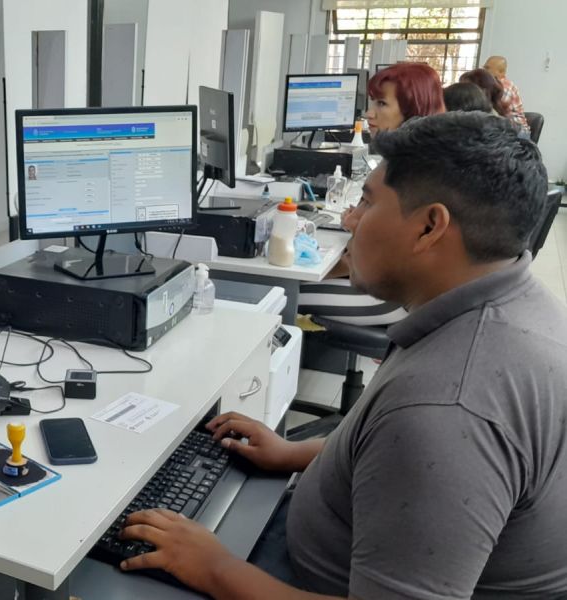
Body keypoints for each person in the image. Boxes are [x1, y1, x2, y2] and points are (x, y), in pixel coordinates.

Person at [118, 112, 567, 598]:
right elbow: (398, 467)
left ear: (429, 227)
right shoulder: (511, 307)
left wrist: (213, 568)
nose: (349, 219)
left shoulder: (446, 409)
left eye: (367, 203)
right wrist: (296, 454)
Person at [298, 62, 444, 327]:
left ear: (412, 109)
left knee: (279, 295)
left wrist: (312, 272)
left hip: (387, 297)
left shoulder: (408, 172)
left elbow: (379, 259)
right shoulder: (417, 159)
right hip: (395, 289)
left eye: (381, 104)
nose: (368, 113)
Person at [483, 55, 530, 134]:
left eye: (487, 68)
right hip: (506, 128)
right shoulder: (492, 85)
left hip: (519, 133)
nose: (483, 70)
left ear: (501, 72)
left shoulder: (505, 87)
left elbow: (492, 110)